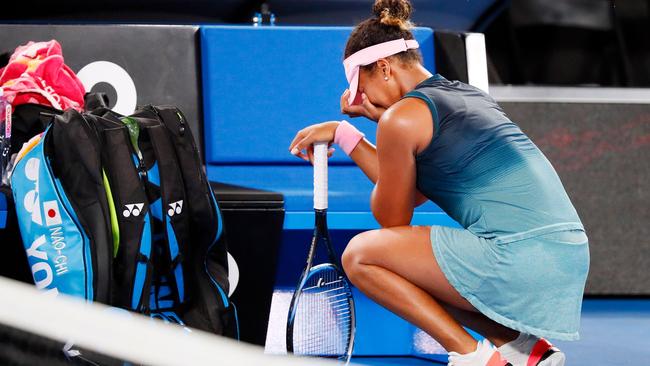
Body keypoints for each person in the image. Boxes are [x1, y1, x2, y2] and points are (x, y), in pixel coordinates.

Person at [288, 1, 589, 365]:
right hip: (566, 254)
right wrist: (346, 134)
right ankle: (526, 350)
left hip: (522, 259)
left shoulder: (400, 121)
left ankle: (474, 358)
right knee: (413, 261)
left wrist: (379, 124)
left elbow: (392, 219)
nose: (357, 97)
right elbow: (411, 190)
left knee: (361, 256)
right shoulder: (465, 95)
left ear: (383, 68)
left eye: (357, 83)